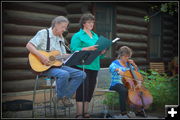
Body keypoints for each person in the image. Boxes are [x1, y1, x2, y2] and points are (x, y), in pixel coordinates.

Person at [26, 16, 86, 107]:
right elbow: (29, 45)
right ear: (56, 25)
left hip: (57, 66)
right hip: (43, 66)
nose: (64, 29)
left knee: (82, 74)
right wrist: (42, 56)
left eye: (65, 27)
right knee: (64, 74)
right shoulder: (43, 33)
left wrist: (76, 55)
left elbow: (62, 56)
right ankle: (60, 97)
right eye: (63, 27)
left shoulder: (61, 38)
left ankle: (64, 97)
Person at [70, 13, 106, 118]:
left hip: (94, 65)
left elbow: (98, 53)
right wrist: (87, 48)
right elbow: (73, 50)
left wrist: (102, 52)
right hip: (82, 66)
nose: (92, 24)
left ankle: (85, 112)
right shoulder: (77, 35)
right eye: (89, 22)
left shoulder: (95, 36)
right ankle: (78, 113)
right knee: (82, 88)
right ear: (84, 23)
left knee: (90, 89)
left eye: (93, 22)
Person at [109, 46, 145, 118]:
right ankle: (123, 112)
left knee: (138, 89)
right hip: (116, 83)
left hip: (128, 84)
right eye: (126, 56)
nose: (127, 58)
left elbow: (137, 73)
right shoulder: (115, 62)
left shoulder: (129, 64)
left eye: (129, 57)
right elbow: (111, 68)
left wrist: (134, 65)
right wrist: (118, 70)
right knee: (123, 90)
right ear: (121, 55)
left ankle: (138, 110)